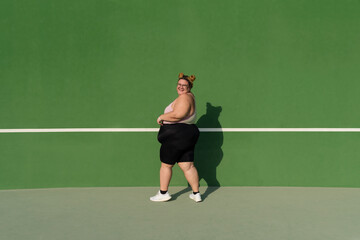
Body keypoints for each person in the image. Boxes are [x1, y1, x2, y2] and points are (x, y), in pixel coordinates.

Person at [150, 73, 201, 202]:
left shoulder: (184, 98)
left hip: (177, 135)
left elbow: (179, 114)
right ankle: (196, 194)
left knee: (166, 165)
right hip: (187, 134)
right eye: (179, 85)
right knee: (187, 165)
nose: (181, 87)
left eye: (184, 85)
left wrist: (162, 117)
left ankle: (163, 193)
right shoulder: (190, 97)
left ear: (190, 87)